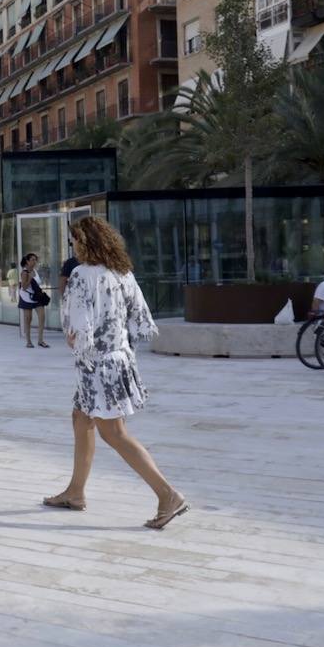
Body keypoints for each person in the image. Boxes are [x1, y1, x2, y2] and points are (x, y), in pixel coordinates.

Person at [46, 216, 188, 530]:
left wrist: (76, 338)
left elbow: (77, 320)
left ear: (85, 242)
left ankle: (168, 495)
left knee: (114, 433)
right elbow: (140, 316)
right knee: (80, 418)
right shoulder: (122, 272)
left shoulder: (82, 274)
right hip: (119, 359)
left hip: (97, 365)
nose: (73, 246)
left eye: (74, 240)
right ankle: (75, 492)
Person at [19, 253, 50, 348]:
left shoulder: (35, 271)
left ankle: (40, 340)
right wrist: (30, 278)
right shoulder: (24, 272)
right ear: (27, 261)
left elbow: (38, 283)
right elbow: (24, 287)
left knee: (42, 317)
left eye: (35, 259)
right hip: (26, 297)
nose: (34, 261)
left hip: (37, 297)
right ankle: (28, 341)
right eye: (32, 259)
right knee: (28, 319)